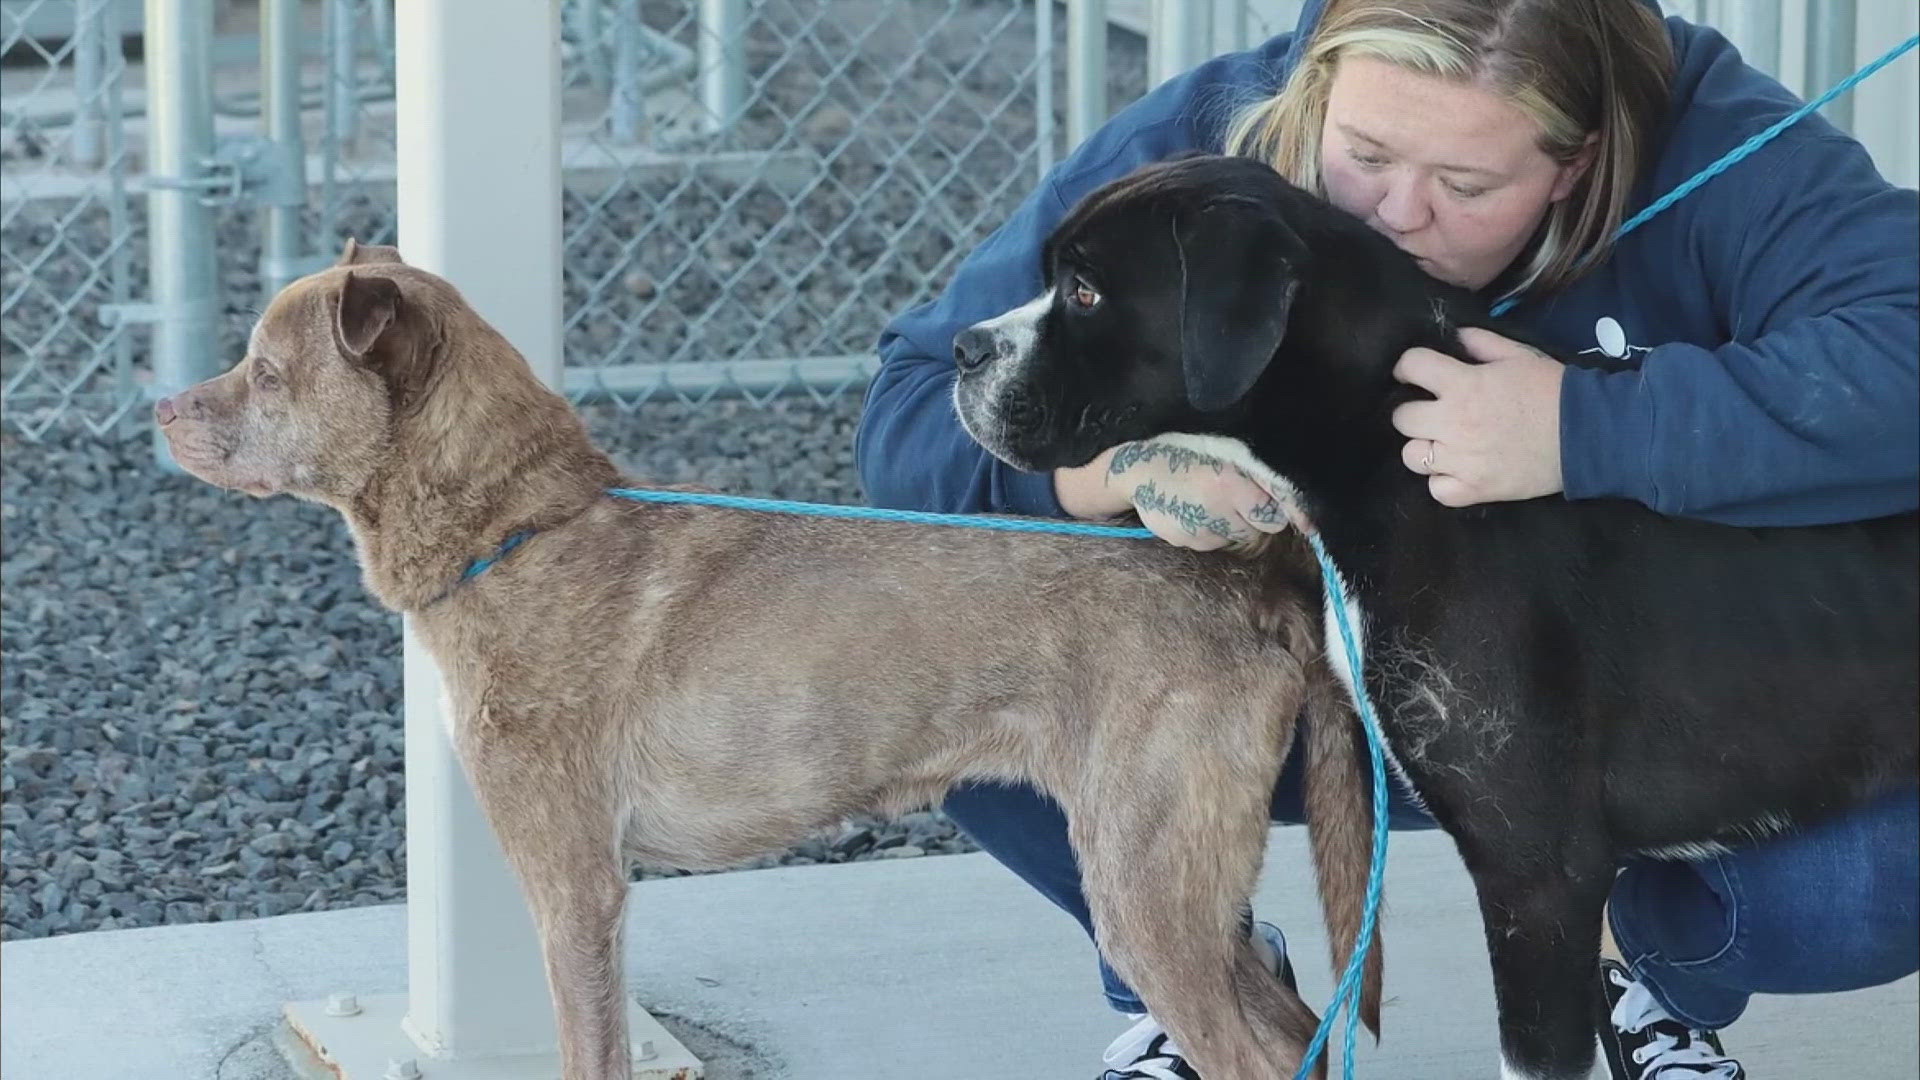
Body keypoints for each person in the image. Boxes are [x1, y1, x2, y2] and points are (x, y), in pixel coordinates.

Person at [854, 0, 1920, 1076]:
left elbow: (1905, 354)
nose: (1397, 213)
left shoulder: (1717, 146)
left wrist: (1584, 427)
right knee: (938, 681)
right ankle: (1200, 983)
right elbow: (906, 414)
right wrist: (1117, 473)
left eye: (1466, 186)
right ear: (1317, 85)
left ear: (1576, 163)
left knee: (1868, 877)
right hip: (1272, 679)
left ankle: (1633, 960)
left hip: (1622, 705)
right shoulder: (1210, 145)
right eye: (1363, 154)